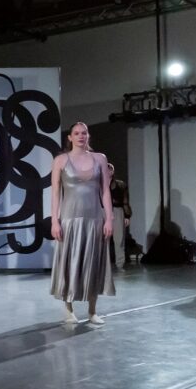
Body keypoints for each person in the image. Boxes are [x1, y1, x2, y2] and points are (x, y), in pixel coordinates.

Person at [49, 122, 115, 325]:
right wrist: (55, 221)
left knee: (93, 263)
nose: (80, 136)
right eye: (76, 133)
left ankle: (92, 311)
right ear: (70, 137)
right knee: (70, 263)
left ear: (88, 136)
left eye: (84, 133)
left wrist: (109, 218)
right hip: (70, 219)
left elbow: (105, 190)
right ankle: (69, 310)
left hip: (94, 219)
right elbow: (55, 194)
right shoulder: (61, 160)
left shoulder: (100, 159)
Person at [107, 163, 131, 269]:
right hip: (103, 211)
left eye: (110, 169)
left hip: (117, 211)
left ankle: (120, 264)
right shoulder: (98, 184)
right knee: (103, 240)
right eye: (105, 169)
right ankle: (104, 265)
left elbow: (125, 201)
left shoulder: (120, 184)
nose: (108, 171)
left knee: (119, 238)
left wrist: (126, 216)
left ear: (113, 172)